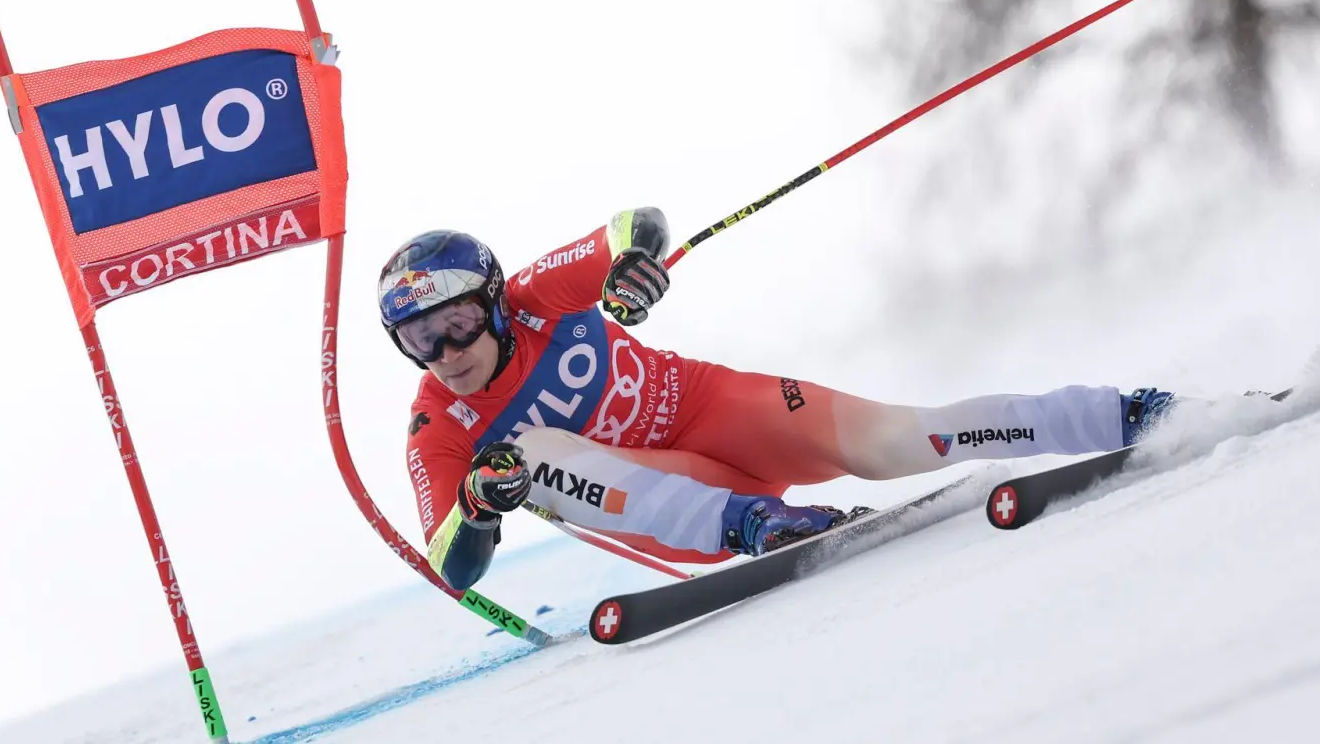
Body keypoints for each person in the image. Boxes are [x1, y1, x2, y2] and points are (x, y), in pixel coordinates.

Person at [381, 209, 1174, 590]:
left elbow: (636, 225)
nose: (446, 355)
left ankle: (1121, 413)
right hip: (681, 502)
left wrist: (631, 271)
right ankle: (757, 524)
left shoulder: (535, 295)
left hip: (721, 411)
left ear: (490, 302)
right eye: (419, 340)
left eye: (455, 325)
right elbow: (450, 563)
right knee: (521, 457)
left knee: (903, 440)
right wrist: (483, 504)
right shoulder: (435, 425)